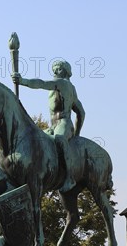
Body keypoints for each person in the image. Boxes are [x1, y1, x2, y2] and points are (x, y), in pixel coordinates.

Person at [12, 60, 85, 193]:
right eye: (54, 69)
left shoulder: (64, 84)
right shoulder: (59, 87)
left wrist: (23, 81)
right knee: (35, 140)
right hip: (52, 125)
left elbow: (41, 83)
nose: (55, 72)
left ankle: (69, 177)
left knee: (59, 139)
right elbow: (81, 112)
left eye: (59, 69)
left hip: (64, 123)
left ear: (67, 72)